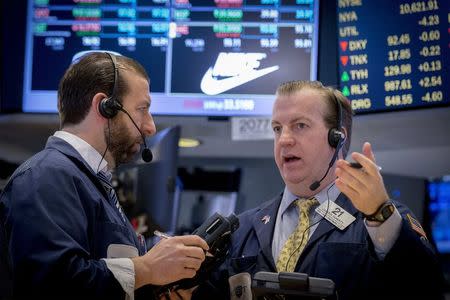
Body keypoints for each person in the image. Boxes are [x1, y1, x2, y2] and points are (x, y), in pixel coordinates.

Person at [194, 81, 445, 299]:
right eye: (277, 128)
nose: (284, 139)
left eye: (300, 125)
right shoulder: (244, 227)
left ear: (338, 137)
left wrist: (380, 213)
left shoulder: (382, 222)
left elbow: (427, 288)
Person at [0, 52, 208, 300]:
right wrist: (148, 269)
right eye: (142, 109)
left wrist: (154, 287)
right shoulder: (46, 176)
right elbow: (53, 283)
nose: (151, 127)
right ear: (104, 106)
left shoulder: (92, 183)